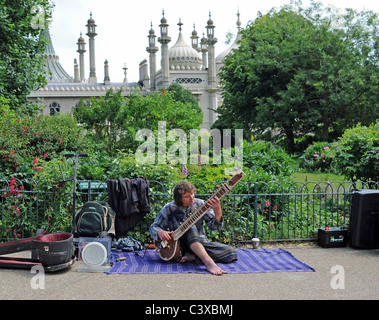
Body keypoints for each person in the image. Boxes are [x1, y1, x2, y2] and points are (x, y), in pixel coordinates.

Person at [150, 181, 237, 275]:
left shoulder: (201, 204)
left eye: (192, 194)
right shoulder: (169, 208)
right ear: (179, 199)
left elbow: (215, 227)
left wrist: (218, 212)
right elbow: (153, 227)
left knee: (230, 253)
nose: (192, 198)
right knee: (189, 227)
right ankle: (208, 262)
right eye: (187, 196)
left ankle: (194, 255)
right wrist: (160, 232)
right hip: (178, 246)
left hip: (199, 242)